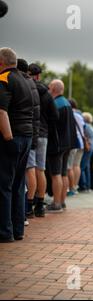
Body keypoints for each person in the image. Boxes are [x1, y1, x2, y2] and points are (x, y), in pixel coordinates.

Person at [0, 47, 34, 242]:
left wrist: (7, 137)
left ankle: (5, 231)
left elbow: (2, 112)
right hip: (27, 137)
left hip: (12, 137)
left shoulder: (4, 79)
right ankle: (18, 229)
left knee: (4, 185)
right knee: (19, 184)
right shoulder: (25, 80)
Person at [28, 63, 59, 217]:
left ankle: (28, 204)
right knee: (41, 169)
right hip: (44, 134)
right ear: (39, 75)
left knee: (30, 169)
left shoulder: (27, 88)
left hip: (30, 132)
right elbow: (55, 116)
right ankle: (40, 205)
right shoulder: (46, 93)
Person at [47, 79, 78, 212]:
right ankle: (62, 202)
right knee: (63, 173)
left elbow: (52, 125)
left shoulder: (55, 104)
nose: (48, 90)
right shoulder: (67, 103)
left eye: (49, 87)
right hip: (68, 144)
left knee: (56, 174)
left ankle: (56, 203)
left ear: (53, 89)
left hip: (58, 145)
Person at [16, 59, 40, 224]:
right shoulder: (34, 87)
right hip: (30, 132)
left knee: (25, 171)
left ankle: (26, 208)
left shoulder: (18, 84)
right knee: (27, 171)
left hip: (19, 132)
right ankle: (27, 208)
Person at [67, 98, 85, 195]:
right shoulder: (79, 115)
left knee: (70, 166)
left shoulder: (70, 114)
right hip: (81, 142)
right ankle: (75, 186)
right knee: (77, 165)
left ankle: (71, 187)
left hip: (73, 142)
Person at [79, 112, 93, 192]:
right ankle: (89, 185)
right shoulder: (91, 126)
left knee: (83, 166)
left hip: (90, 147)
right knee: (88, 167)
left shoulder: (86, 126)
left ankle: (84, 185)